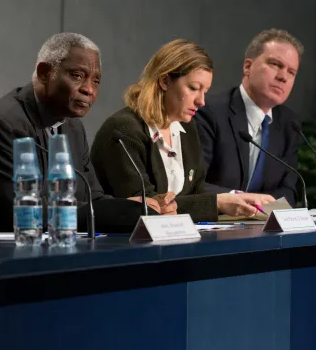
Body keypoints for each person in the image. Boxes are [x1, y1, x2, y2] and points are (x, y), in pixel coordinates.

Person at [0, 32, 176, 234]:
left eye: (96, 81)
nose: (89, 90)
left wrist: (134, 206)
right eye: (77, 76)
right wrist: (119, 212)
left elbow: (92, 199)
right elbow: (28, 211)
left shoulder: (72, 127)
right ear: (44, 73)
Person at [91, 39, 273, 222]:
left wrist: (228, 200)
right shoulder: (124, 130)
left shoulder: (187, 127)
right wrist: (216, 202)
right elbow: (145, 206)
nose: (201, 101)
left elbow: (196, 191)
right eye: (193, 88)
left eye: (205, 91)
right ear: (164, 81)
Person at [195, 29, 303, 204]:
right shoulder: (209, 113)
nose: (283, 77)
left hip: (263, 225)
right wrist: (238, 199)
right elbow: (194, 184)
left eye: (292, 72)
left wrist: (262, 207)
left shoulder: (289, 124)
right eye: (275, 64)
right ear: (248, 67)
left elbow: (289, 190)